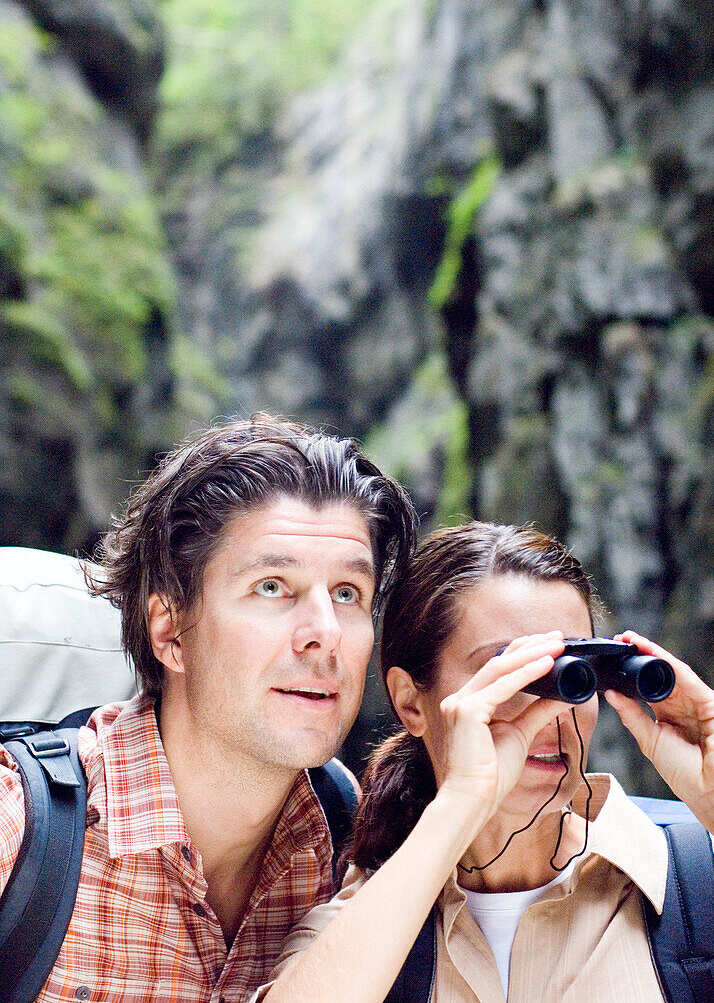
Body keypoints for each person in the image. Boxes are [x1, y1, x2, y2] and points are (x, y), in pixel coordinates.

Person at [0, 414, 417, 1002]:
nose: (325, 633)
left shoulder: (359, 839)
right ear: (170, 631)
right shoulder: (21, 827)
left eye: (348, 594)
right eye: (272, 587)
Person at [260, 521, 714, 1003]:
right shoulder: (355, 926)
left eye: (574, 673)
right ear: (410, 703)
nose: (551, 709)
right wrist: (465, 799)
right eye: (511, 672)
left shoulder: (705, 893)